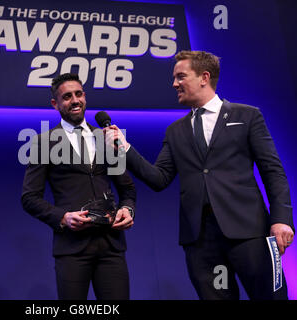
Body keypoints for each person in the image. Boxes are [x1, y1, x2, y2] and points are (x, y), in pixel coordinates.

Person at [104, 51, 294, 300]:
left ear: (204, 77)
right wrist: (125, 149)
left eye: (180, 76)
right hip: (201, 242)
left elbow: (273, 170)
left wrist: (281, 219)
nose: (174, 84)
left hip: (249, 232)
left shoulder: (246, 116)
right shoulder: (175, 131)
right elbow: (159, 178)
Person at [21, 73, 136, 300]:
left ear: (85, 96)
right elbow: (29, 198)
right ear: (55, 104)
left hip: (111, 246)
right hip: (72, 249)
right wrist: (63, 217)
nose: (75, 100)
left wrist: (127, 209)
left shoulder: (106, 136)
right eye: (67, 96)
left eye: (78, 94)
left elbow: (128, 190)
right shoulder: (44, 142)